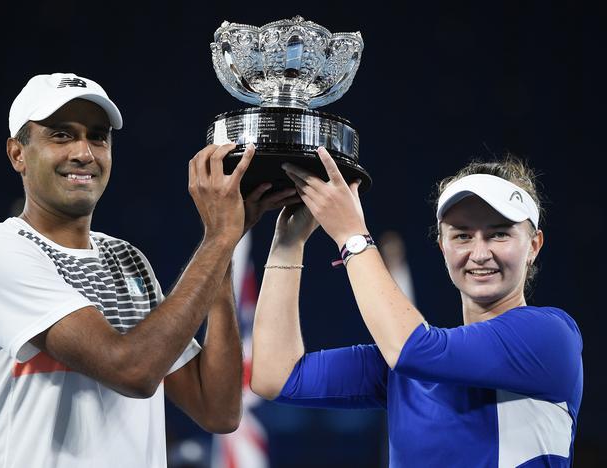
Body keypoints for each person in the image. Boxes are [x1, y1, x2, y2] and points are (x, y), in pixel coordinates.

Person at [0, 72, 296, 468]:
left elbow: (218, 409)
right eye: (61, 135)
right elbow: (132, 369)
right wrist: (217, 239)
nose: (84, 153)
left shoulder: (127, 260)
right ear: (18, 154)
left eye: (98, 137)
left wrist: (226, 244)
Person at [250, 147, 583, 467]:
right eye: (462, 236)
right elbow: (275, 377)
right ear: (442, 247)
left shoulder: (551, 335)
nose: (480, 254)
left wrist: (352, 236)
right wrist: (288, 244)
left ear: (534, 246)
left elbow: (413, 348)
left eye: (499, 234)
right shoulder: (410, 371)